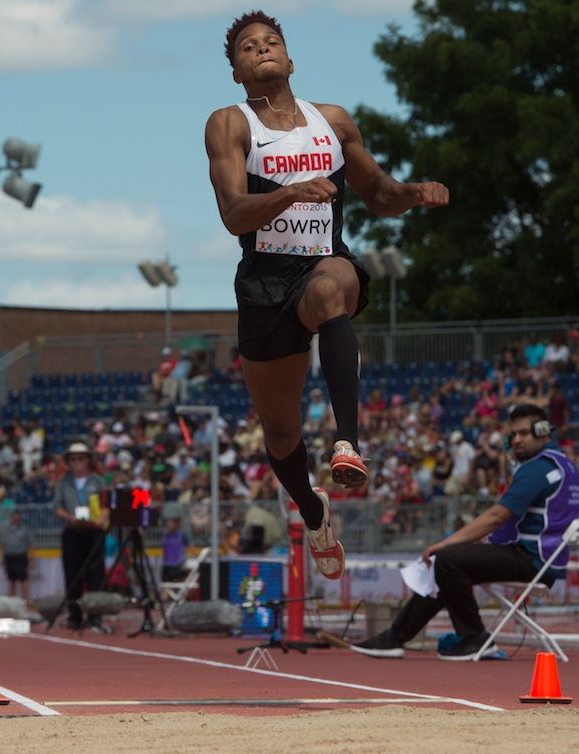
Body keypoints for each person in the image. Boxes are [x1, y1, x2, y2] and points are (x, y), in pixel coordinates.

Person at [205, 11, 449, 580]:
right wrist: (289, 195)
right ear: (238, 71)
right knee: (282, 430)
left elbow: (379, 194)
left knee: (330, 289)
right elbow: (234, 215)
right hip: (264, 282)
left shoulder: (332, 121)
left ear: (290, 60)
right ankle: (314, 513)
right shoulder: (230, 124)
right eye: (248, 47)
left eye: (272, 43)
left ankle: (347, 443)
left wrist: (413, 192)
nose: (261, 50)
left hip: (323, 263)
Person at [351, 404, 579, 660]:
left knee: (448, 559)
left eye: (523, 434)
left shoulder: (537, 469)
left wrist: (446, 543)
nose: (516, 440)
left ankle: (474, 637)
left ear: (543, 432)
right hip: (542, 559)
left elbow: (497, 516)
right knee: (448, 564)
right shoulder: (565, 465)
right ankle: (395, 637)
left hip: (531, 559)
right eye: (513, 435)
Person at [51, 441, 109, 631]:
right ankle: (74, 616)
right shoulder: (63, 483)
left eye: (81, 459)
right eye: (73, 459)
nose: (77, 463)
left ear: (88, 461)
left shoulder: (98, 481)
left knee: (95, 576)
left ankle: (95, 616)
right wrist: (70, 518)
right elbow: (57, 507)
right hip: (73, 533)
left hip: (93, 533)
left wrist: (101, 519)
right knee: (73, 576)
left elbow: (106, 505)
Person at [1, 509, 32, 600]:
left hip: (21, 557)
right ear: (12, 518)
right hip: (9, 557)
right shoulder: (6, 529)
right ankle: (11, 602)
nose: (16, 519)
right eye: (14, 517)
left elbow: (31, 545)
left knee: (23, 579)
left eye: (18, 517)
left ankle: (25, 600)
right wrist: (2, 558)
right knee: (11, 580)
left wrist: (32, 558)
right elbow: (3, 545)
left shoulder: (25, 529)